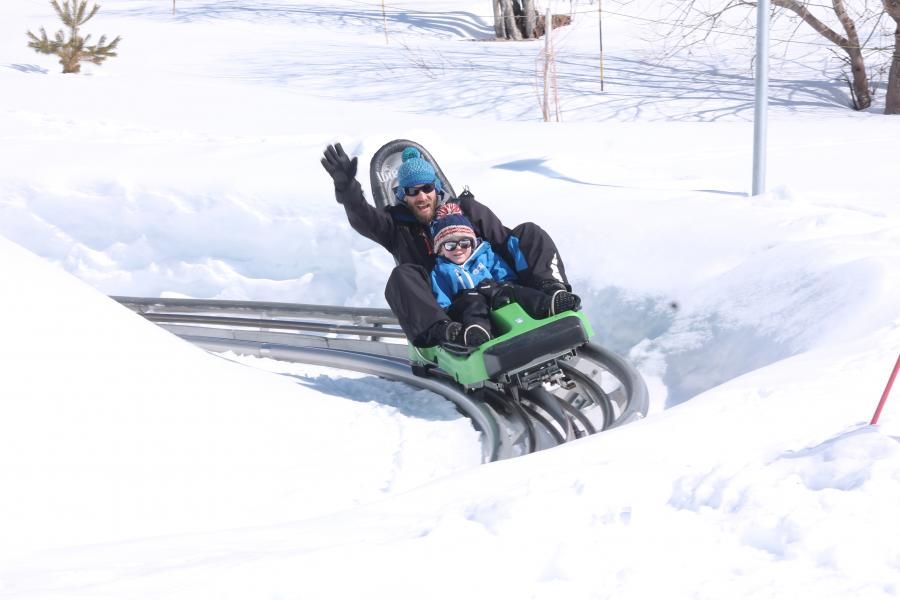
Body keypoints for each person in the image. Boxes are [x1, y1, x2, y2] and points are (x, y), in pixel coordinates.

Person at [320, 142, 579, 349]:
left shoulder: (467, 209)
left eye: (426, 188)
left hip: (498, 287)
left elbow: (502, 242)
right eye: (412, 192)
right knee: (402, 276)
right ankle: (447, 332)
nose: (421, 196)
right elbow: (362, 217)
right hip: (451, 306)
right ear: (402, 195)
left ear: (436, 188)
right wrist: (347, 189)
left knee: (528, 232)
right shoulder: (394, 225)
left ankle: (551, 293)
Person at [429, 203, 581, 348]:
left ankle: (548, 305)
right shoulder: (440, 271)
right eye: (450, 245)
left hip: (496, 296)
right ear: (440, 250)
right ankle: (477, 332)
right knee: (472, 303)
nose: (458, 249)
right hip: (469, 304)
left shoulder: (485, 255)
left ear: (472, 243)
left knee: (515, 291)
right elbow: (443, 302)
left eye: (464, 243)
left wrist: (498, 286)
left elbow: (506, 275)